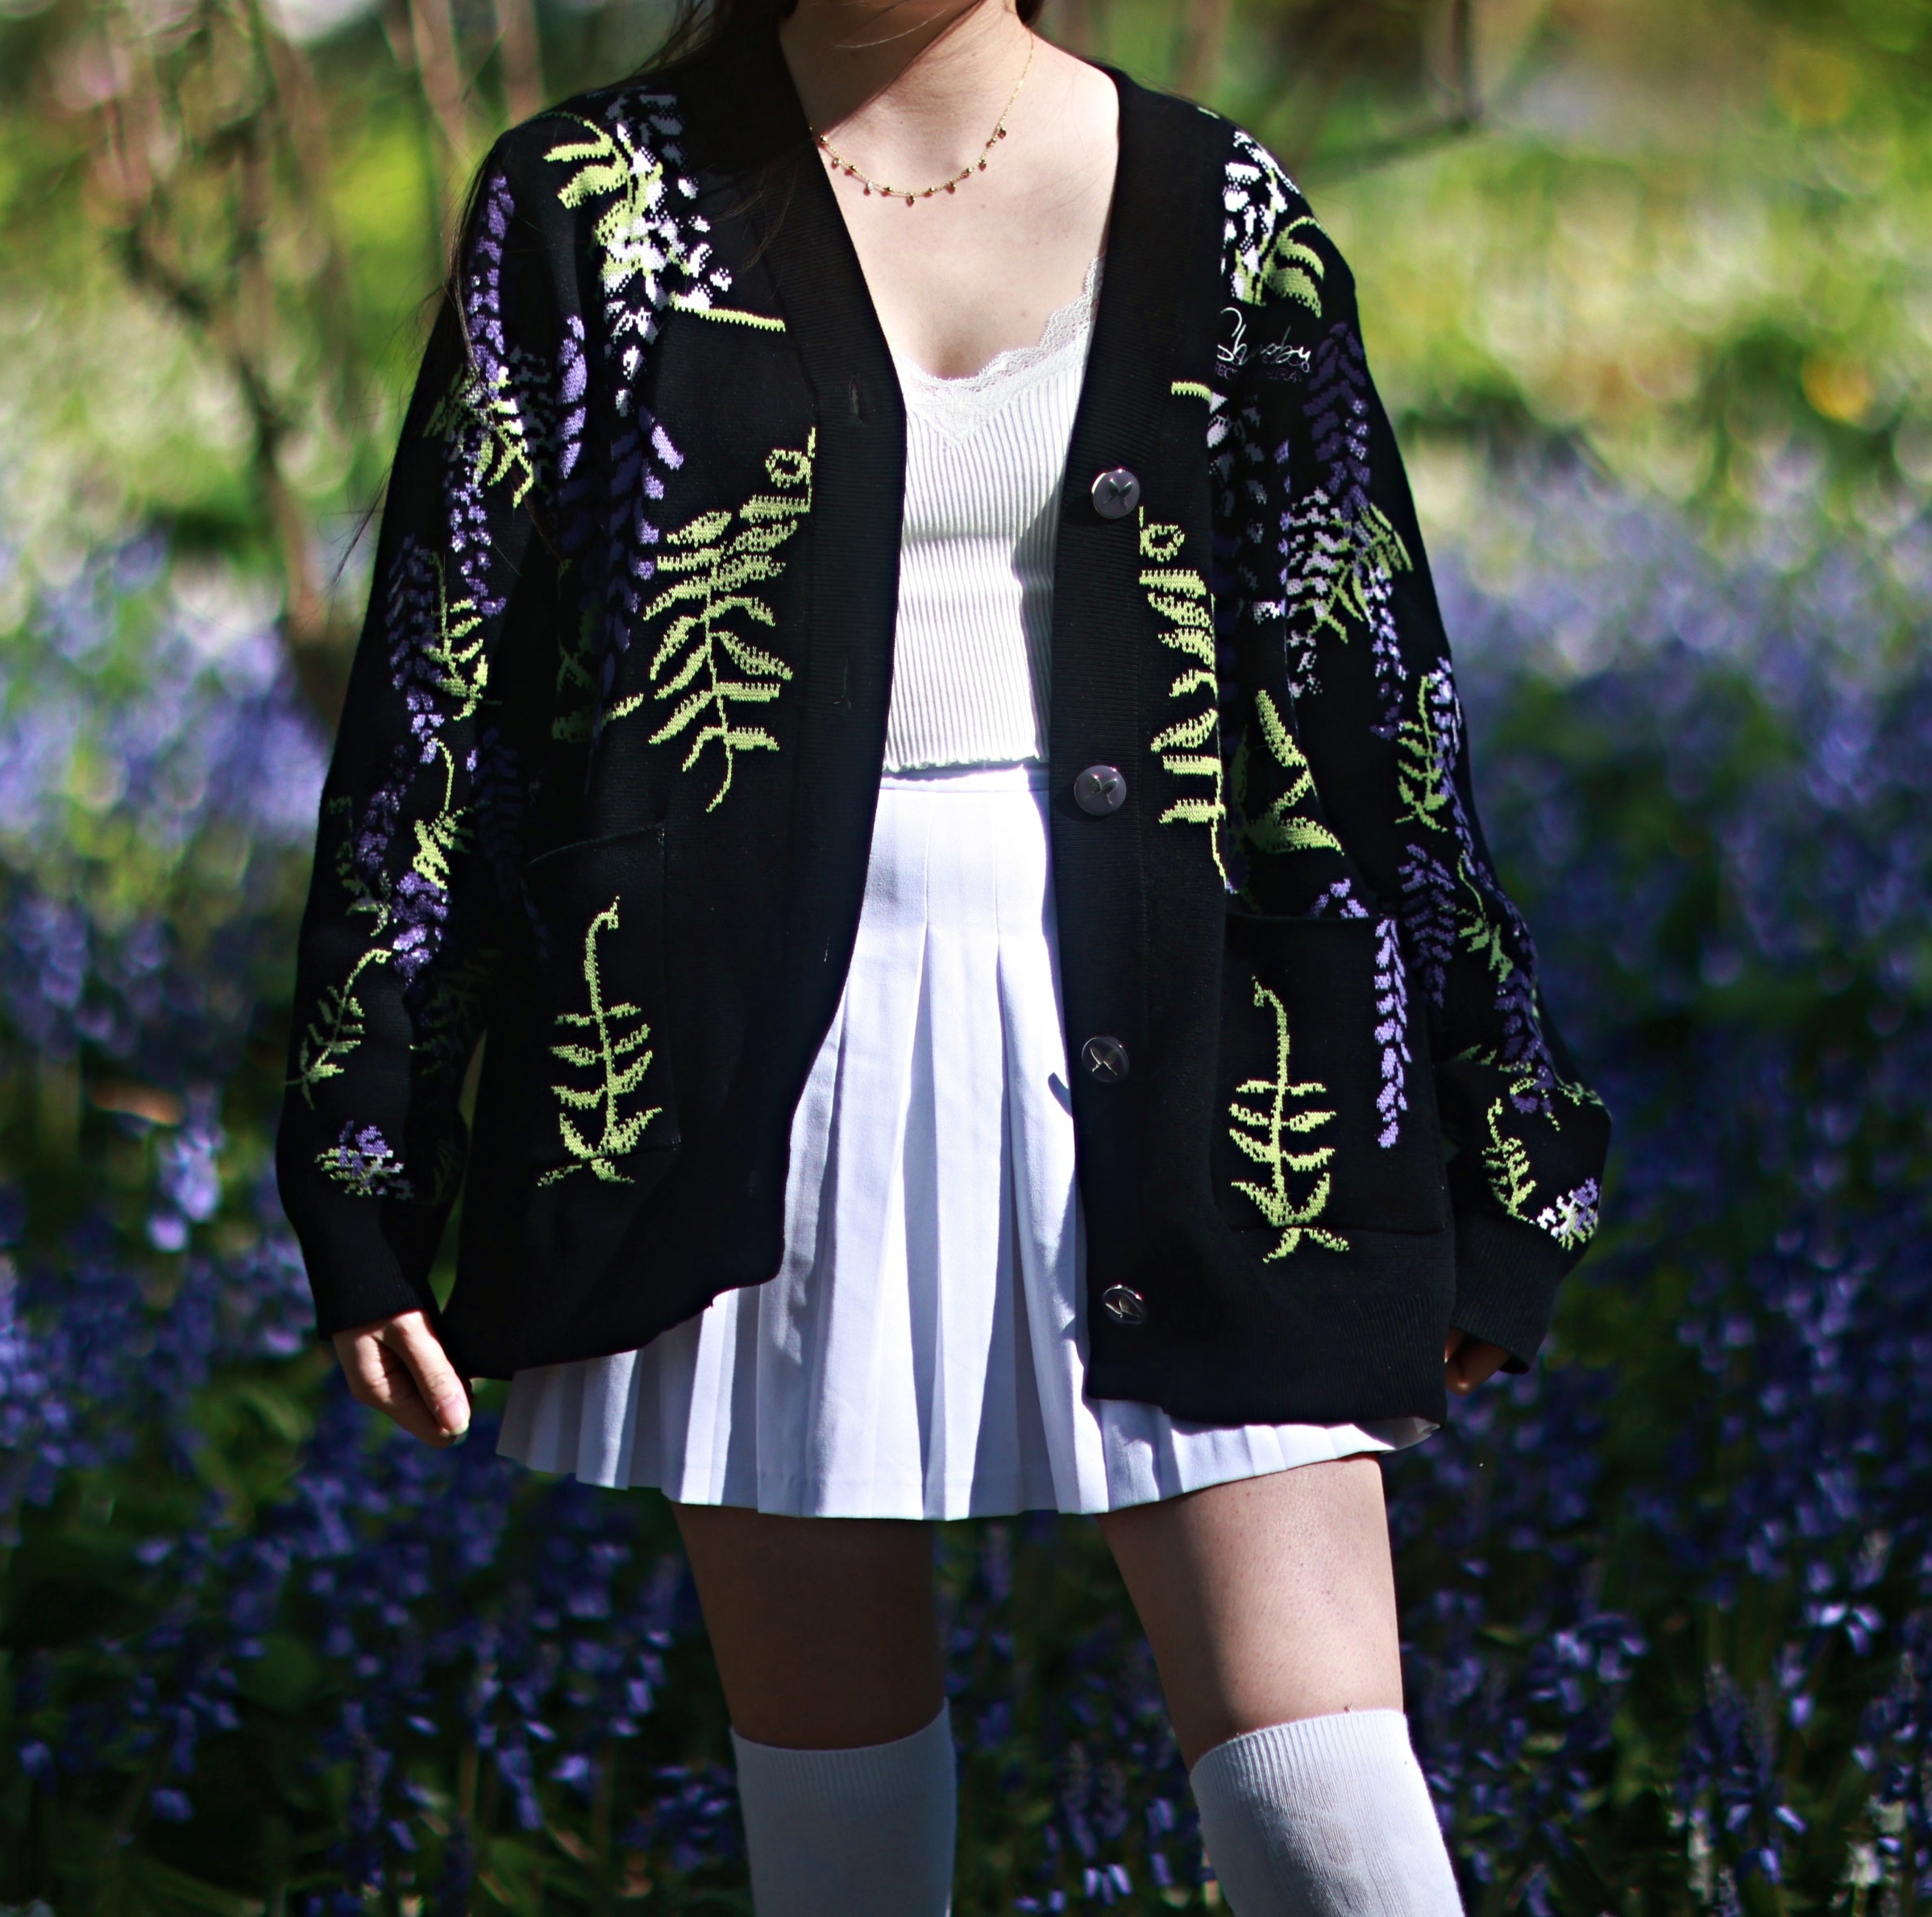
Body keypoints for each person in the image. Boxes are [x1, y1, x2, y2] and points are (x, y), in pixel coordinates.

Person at [276, 0, 1610, 1908]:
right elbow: (448, 690)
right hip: (738, 1074)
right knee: (844, 1859)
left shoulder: (1227, 213)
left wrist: (1505, 1126)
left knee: (1330, 1815)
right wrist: (364, 1138)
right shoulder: (593, 205)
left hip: (1218, 1075)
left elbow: (1368, 689)